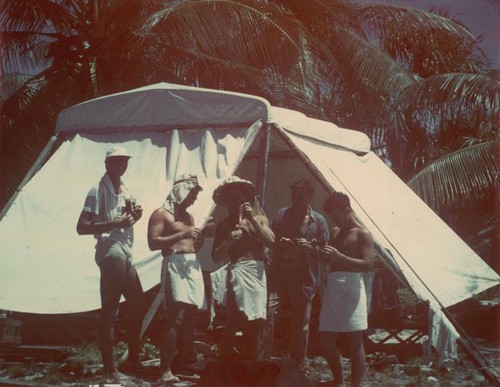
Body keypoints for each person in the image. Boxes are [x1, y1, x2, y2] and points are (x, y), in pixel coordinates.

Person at [76, 146, 144, 382]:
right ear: (107, 164)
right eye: (116, 161)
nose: (121, 165)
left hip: (126, 248)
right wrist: (115, 223)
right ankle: (110, 369)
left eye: (124, 161)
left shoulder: (125, 188)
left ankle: (132, 358)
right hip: (110, 248)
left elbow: (127, 219)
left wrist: (135, 216)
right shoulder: (97, 189)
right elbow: (82, 227)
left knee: (138, 304)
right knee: (110, 311)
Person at [147, 174, 215, 383]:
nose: (194, 198)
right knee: (175, 317)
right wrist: (180, 236)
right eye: (192, 193)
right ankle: (165, 370)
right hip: (174, 263)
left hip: (192, 263)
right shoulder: (161, 214)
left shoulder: (189, 217)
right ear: (181, 191)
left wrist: (202, 235)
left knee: (191, 317)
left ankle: (181, 363)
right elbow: (153, 242)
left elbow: (194, 246)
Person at [212, 176, 275, 361]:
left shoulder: (260, 219)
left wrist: (251, 221)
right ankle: (225, 354)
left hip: (257, 270)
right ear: (227, 203)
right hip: (239, 269)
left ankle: (253, 356)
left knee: (258, 316)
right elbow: (215, 257)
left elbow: (271, 241)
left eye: (239, 198)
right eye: (232, 200)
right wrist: (230, 241)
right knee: (237, 316)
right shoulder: (224, 226)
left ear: (246, 199)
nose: (236, 202)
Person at [268, 179, 329, 364]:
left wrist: (310, 247)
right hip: (279, 271)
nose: (296, 200)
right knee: (268, 310)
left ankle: (298, 360)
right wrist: (279, 243)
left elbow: (326, 252)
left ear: (309, 197)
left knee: (301, 318)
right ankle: (264, 355)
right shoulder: (281, 215)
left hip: (303, 275)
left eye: (301, 197)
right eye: (294, 196)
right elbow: (268, 238)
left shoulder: (318, 221)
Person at [318, 191, 374, 387]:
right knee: (325, 339)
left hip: (351, 288)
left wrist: (340, 257)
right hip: (333, 287)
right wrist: (322, 254)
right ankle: (339, 380)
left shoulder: (363, 233)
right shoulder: (335, 232)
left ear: (347, 210)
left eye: (336, 214)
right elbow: (330, 260)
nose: (334, 219)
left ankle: (355, 384)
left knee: (354, 340)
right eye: (331, 215)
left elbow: (367, 265)